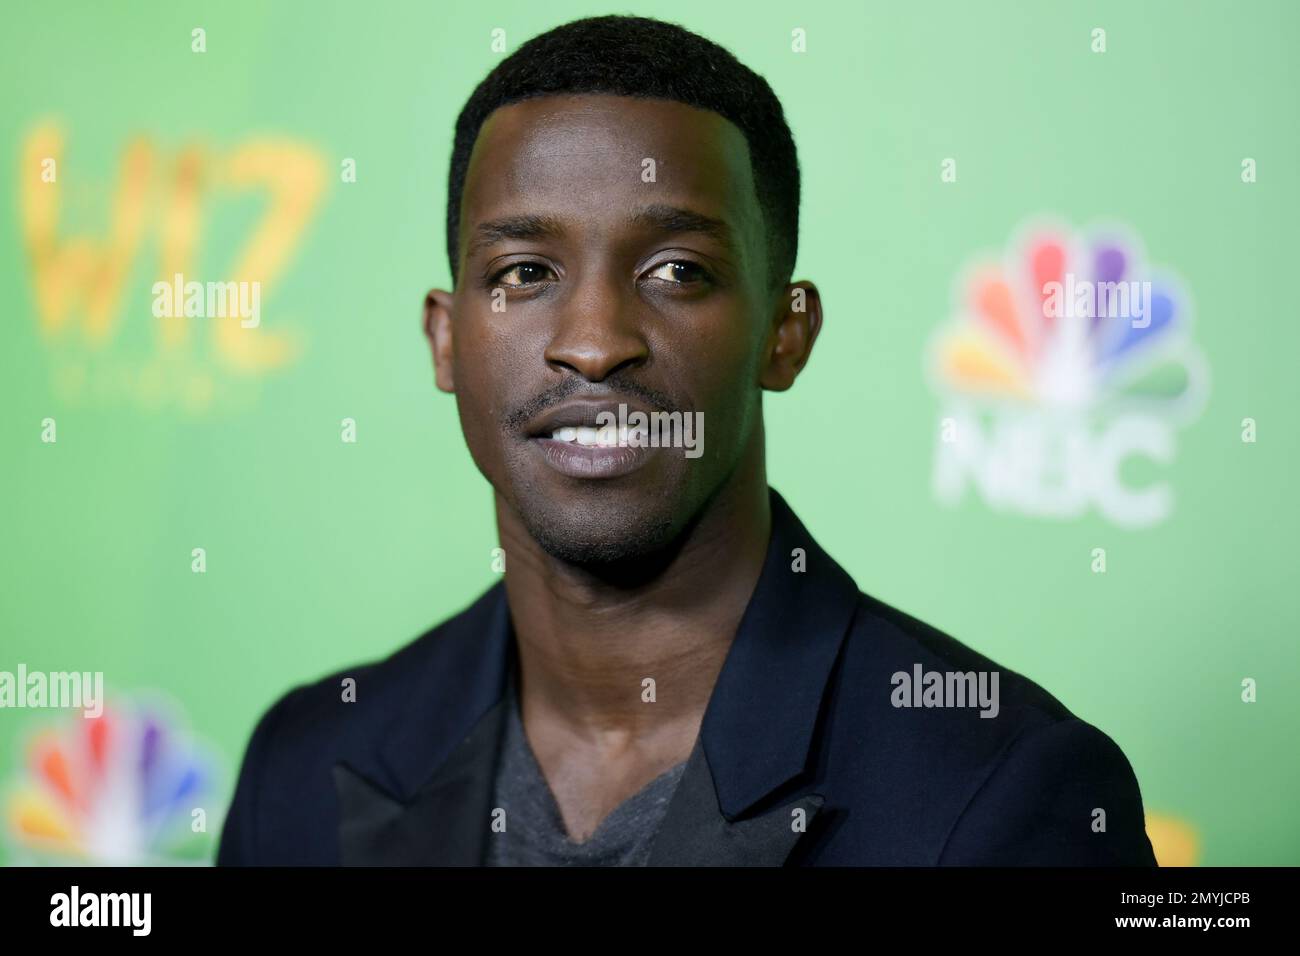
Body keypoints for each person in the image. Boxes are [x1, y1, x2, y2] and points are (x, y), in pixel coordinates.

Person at [217, 14, 1157, 866]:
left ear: (785, 334)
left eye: (677, 270)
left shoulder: (1008, 792)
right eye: (525, 270)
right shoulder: (301, 768)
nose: (592, 342)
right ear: (446, 337)